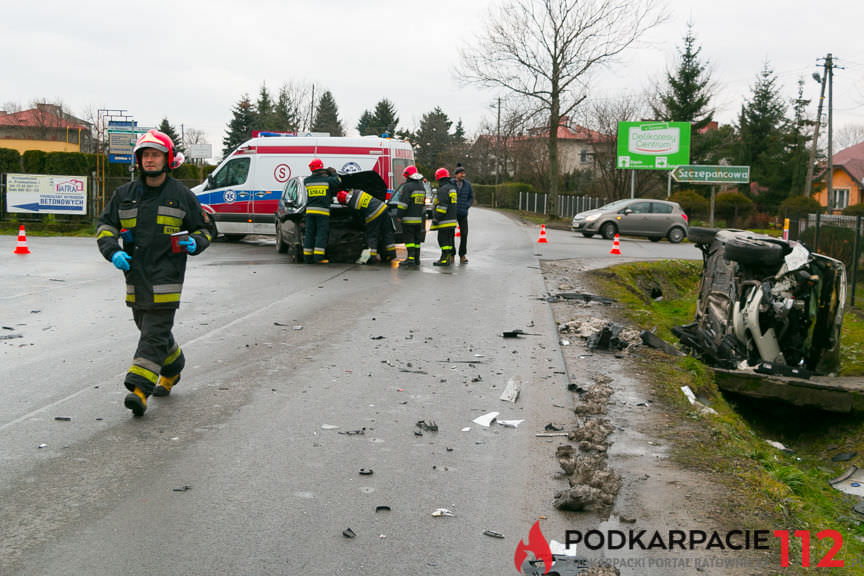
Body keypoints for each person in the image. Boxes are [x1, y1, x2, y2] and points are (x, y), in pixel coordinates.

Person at [96, 129, 211, 417]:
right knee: (152, 332)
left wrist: (194, 241)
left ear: (167, 159)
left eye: (155, 155)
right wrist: (113, 251)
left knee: (152, 334)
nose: (149, 160)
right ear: (138, 160)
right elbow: (105, 227)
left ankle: (139, 390)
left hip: (167, 278)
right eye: (145, 155)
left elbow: (206, 229)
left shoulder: (181, 195)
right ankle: (173, 367)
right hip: (134, 277)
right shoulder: (124, 195)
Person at [335, 187, 395, 263]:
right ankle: (391, 254)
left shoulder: (353, 205)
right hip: (383, 208)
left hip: (374, 214)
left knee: (372, 236)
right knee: (387, 232)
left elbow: (359, 218)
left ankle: (372, 257)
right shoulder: (357, 191)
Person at [303, 159, 341, 263]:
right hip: (322, 212)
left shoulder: (307, 181)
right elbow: (338, 181)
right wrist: (333, 173)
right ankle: (318, 258)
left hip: (310, 212)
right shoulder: (328, 180)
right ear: (321, 168)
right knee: (321, 234)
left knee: (309, 234)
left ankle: (307, 258)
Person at [395, 165, 427, 266]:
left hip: (408, 220)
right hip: (418, 220)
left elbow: (403, 204)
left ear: (409, 176)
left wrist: (399, 215)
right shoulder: (422, 187)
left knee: (409, 240)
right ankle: (417, 259)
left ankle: (411, 259)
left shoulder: (407, 187)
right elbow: (422, 204)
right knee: (417, 240)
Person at [430, 167, 458, 266]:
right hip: (452, 220)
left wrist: (436, 217)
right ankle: (446, 258)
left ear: (438, 177)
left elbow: (442, 206)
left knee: (443, 240)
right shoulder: (452, 188)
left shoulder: (443, 189)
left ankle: (444, 259)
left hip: (444, 220)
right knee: (449, 240)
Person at [453, 163, 474, 264]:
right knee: (450, 234)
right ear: (456, 174)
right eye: (461, 173)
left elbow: (471, 197)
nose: (463, 175)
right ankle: (451, 254)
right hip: (452, 213)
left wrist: (467, 205)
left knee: (464, 234)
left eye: (463, 173)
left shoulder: (467, 185)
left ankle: (462, 255)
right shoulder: (451, 184)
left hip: (463, 212)